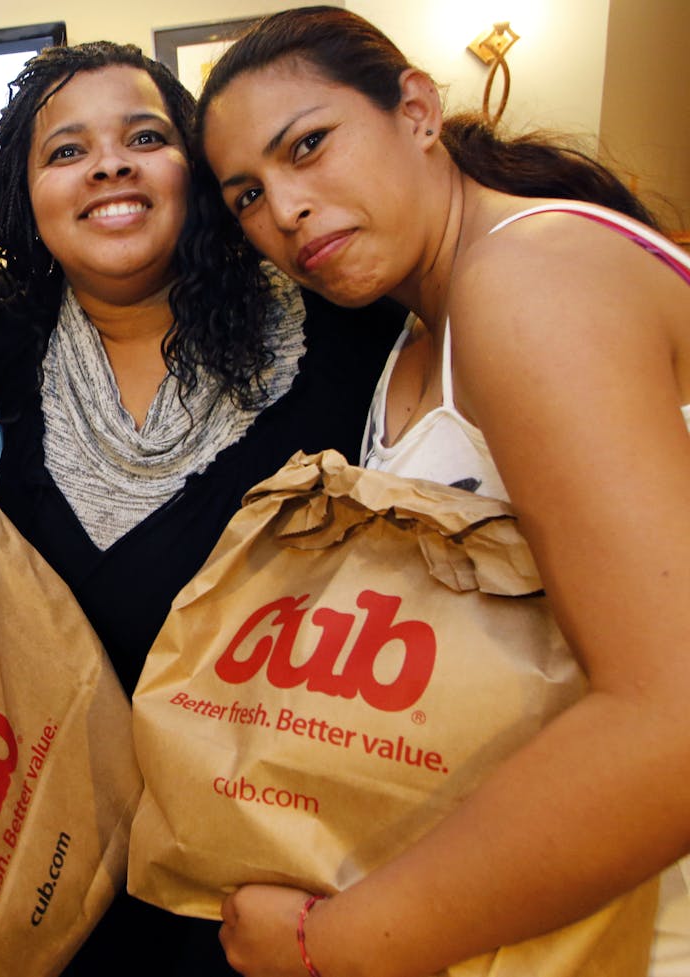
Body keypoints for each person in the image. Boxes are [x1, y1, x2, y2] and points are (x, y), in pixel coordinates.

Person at [197, 7, 690, 977]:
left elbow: (669, 715)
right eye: (247, 192)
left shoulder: (524, 277)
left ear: (415, 110)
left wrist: (327, 944)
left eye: (308, 146)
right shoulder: (418, 330)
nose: (284, 209)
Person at [0, 41, 404, 977]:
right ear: (25, 202)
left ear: (196, 175)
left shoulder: (342, 319)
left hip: (309, 877)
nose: (109, 165)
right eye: (66, 151)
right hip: (80, 876)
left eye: (145, 137)